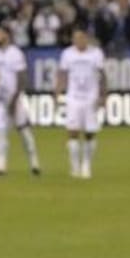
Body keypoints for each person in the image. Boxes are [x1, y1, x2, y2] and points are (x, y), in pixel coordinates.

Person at [0, 25, 41, 176]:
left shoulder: (16, 53)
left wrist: (16, 97)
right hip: (0, 99)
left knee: (24, 131)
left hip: (15, 98)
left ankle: (34, 163)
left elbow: (22, 77)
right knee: (0, 132)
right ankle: (1, 166)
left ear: (7, 35)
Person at [55, 28, 107, 179]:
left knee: (90, 133)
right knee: (72, 131)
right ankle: (75, 165)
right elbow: (62, 74)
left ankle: (86, 164)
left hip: (91, 97)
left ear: (87, 39)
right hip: (73, 97)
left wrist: (103, 96)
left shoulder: (96, 54)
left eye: (82, 38)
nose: (79, 41)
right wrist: (57, 92)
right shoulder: (67, 54)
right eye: (76, 38)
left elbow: (103, 76)